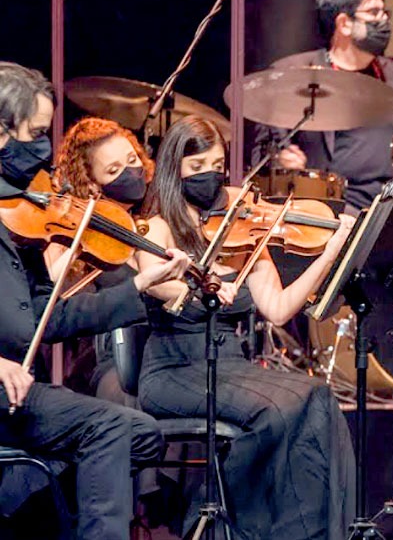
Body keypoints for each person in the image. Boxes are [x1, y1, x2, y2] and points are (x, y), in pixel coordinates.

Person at [136, 115, 358, 539]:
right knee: (279, 408)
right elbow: (165, 288)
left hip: (230, 364)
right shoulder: (158, 226)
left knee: (317, 395)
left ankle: (315, 534)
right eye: (198, 168)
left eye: (218, 166)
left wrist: (328, 253)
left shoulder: (240, 226)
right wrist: (204, 280)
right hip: (173, 369)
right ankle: (236, 528)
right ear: (174, 171)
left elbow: (277, 308)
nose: (212, 177)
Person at [0, 62, 192, 540]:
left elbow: (50, 315)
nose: (43, 149)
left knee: (139, 434)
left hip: (16, 395)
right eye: (37, 133)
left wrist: (140, 289)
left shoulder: (18, 216)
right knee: (109, 430)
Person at [252, 0, 393, 211]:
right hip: (332, 207)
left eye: (385, 13)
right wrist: (282, 163)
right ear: (343, 23)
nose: (384, 20)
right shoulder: (294, 74)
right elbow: (264, 158)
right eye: (374, 13)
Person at [47, 117, 155, 404]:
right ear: (92, 185)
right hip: (106, 364)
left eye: (132, 159)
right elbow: (55, 296)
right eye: (113, 170)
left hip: (159, 354)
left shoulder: (154, 221)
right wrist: (78, 245)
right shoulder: (77, 235)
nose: (131, 172)